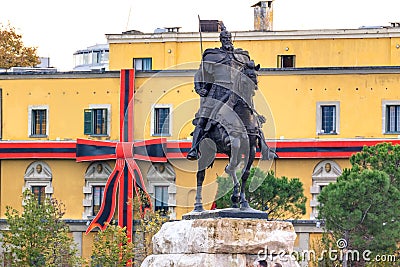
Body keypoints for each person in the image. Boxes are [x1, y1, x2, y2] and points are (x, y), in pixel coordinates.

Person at [187, 24, 253, 160]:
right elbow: (200, 75)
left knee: (253, 118)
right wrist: (200, 89)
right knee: (202, 119)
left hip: (237, 93)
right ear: (221, 39)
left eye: (229, 38)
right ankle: (193, 149)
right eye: (225, 38)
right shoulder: (212, 56)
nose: (227, 40)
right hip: (217, 93)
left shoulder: (241, 57)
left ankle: (262, 144)